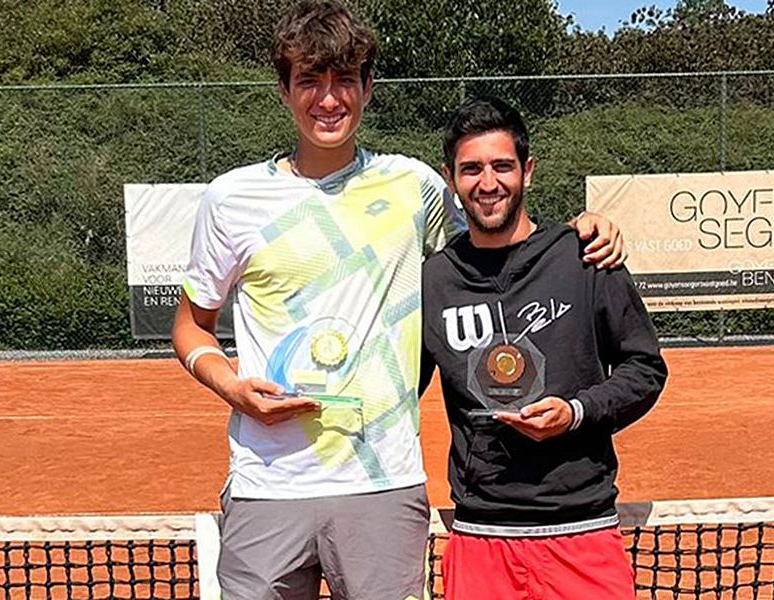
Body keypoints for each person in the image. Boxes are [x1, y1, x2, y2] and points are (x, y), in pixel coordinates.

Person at [172, 2, 625, 598]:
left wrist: (578, 232)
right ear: (284, 90)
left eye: (344, 79)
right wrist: (231, 388)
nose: (328, 98)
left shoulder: (414, 187)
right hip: (267, 485)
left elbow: (496, 240)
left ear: (367, 87)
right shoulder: (230, 199)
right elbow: (191, 327)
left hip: (384, 484)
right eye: (309, 80)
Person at [420, 95, 668, 600]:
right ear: (451, 179)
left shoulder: (585, 257)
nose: (487, 183)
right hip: (480, 535)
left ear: (527, 171)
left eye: (502, 166)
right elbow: (394, 387)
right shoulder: (433, 282)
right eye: (471, 169)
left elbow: (644, 368)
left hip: (583, 531)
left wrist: (576, 412)